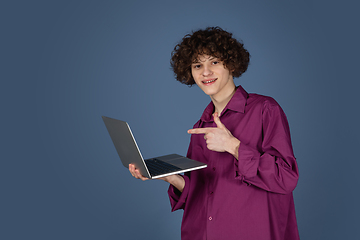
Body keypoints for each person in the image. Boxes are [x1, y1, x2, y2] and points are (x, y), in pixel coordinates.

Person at [129, 26, 300, 240]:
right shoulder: (201, 126)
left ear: (231, 64)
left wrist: (234, 146)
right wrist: (172, 178)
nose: (205, 72)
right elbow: (203, 194)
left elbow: (286, 178)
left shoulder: (265, 109)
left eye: (214, 62)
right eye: (197, 65)